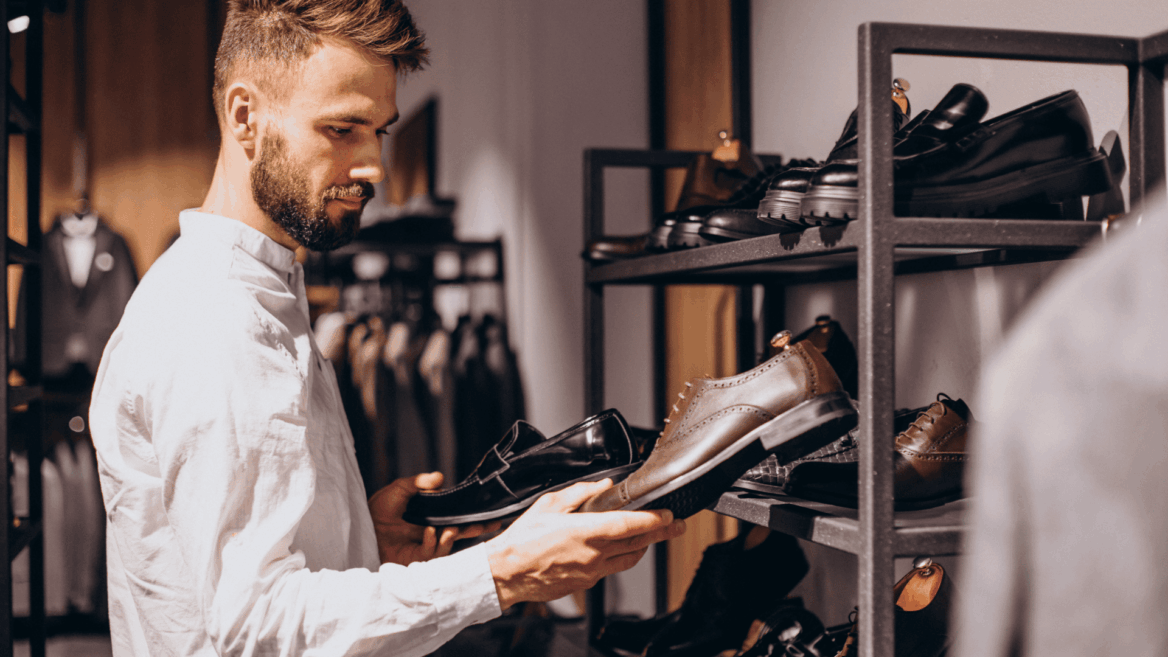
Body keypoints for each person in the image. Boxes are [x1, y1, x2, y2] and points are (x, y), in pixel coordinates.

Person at [88, 1, 686, 655]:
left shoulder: (262, 297)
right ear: (244, 116)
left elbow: (244, 570)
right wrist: (503, 570)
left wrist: (356, 539)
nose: (374, 165)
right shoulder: (215, 325)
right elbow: (257, 627)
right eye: (342, 129)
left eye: (380, 131)